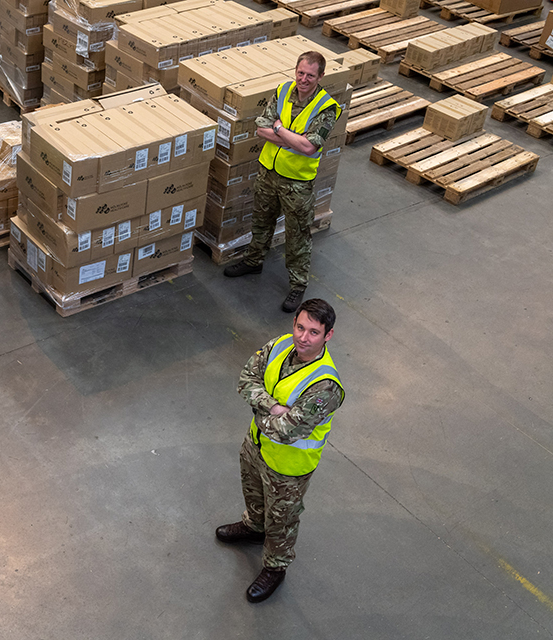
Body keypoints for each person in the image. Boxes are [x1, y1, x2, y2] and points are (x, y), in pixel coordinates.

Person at [215, 298, 345, 603]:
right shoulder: (279, 346)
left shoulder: (326, 386)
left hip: (288, 467)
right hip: (256, 447)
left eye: (314, 332)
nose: (303, 336)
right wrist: (273, 406)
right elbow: (246, 379)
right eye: (300, 327)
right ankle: (253, 527)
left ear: (328, 335)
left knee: (282, 518)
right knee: (254, 493)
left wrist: (257, 405)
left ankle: (275, 566)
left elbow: (288, 431)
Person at [224, 52, 341, 314]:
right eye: (300, 72)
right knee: (261, 221)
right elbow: (259, 129)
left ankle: (298, 284)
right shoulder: (283, 90)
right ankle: (254, 261)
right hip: (268, 172)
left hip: (297, 182)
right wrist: (292, 138)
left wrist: (279, 130)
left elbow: (309, 147)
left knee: (297, 234)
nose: (303, 79)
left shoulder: (326, 107)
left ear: (321, 76)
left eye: (310, 75)